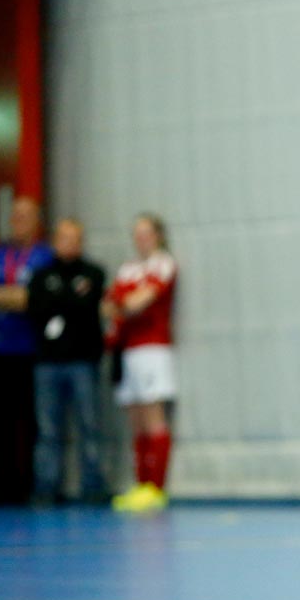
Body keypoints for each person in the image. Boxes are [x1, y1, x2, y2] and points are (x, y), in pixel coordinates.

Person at [0, 196, 55, 504]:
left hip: (33, 351)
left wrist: (0, 296)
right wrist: (13, 296)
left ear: (37, 222)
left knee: (33, 421)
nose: (19, 222)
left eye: (27, 217)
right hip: (0, 350)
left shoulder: (45, 258)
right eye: (16, 216)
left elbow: (32, 299)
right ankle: (2, 487)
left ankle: (31, 485)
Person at [25, 218, 109, 504]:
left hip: (83, 359)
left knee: (90, 424)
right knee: (48, 428)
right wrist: (68, 300)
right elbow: (36, 308)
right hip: (48, 361)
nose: (69, 243)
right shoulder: (41, 275)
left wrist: (61, 302)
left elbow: (87, 309)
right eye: (63, 238)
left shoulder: (92, 273)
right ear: (54, 241)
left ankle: (93, 485)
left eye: (74, 238)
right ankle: (47, 486)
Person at [104, 213, 179, 513]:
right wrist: (124, 305)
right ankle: (141, 483)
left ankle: (156, 488)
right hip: (127, 350)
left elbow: (137, 302)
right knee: (136, 420)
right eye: (137, 233)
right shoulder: (128, 269)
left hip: (152, 348)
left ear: (158, 235)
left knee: (153, 417)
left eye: (146, 233)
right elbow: (110, 305)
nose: (141, 239)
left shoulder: (163, 263)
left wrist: (125, 304)